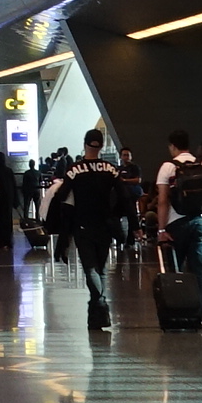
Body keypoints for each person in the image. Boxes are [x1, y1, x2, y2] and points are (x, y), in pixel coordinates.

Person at [51, 132, 134, 328]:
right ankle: (98, 310)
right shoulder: (111, 170)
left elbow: (63, 195)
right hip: (105, 224)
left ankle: (100, 303)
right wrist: (134, 225)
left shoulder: (74, 170)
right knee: (101, 267)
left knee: (90, 268)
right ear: (102, 146)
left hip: (83, 224)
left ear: (85, 144)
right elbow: (124, 197)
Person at [153, 129, 202, 311]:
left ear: (172, 146)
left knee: (175, 270)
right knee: (201, 270)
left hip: (177, 223)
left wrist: (161, 230)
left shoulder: (168, 167)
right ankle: (199, 312)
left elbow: (163, 200)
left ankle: (179, 310)